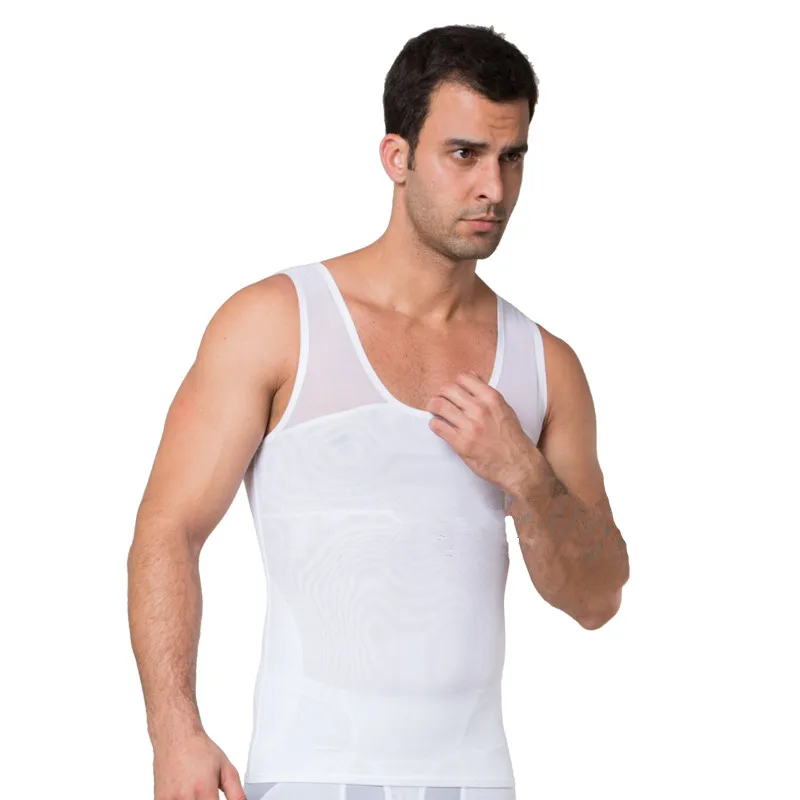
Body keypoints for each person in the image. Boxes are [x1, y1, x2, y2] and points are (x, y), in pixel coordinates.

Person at [128, 23, 629, 800]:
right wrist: (175, 731)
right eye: (464, 154)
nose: (494, 188)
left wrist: (525, 475)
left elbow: (597, 599)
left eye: (512, 157)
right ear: (397, 157)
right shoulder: (276, 323)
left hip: (474, 785)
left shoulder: (545, 365)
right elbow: (168, 528)